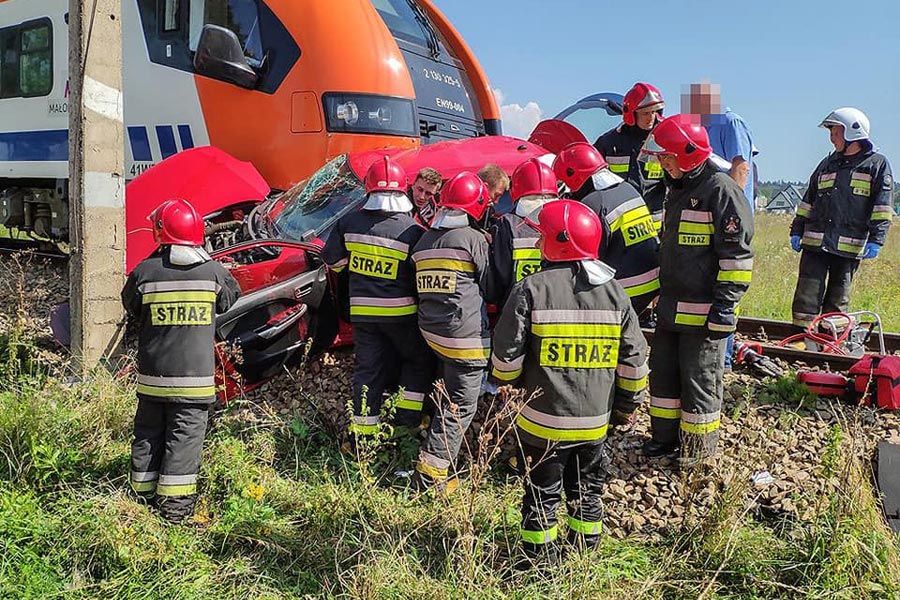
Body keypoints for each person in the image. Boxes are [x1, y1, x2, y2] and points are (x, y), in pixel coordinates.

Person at [490, 199, 648, 564]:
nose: (536, 242)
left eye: (541, 237)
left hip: (541, 423)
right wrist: (624, 407)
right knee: (588, 490)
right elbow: (634, 362)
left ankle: (538, 563)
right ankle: (583, 557)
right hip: (595, 424)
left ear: (558, 241)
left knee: (541, 492)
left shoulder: (530, 289)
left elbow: (506, 358)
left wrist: (508, 387)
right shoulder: (615, 294)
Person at [639, 115, 754, 465]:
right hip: (672, 310)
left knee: (700, 383)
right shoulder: (678, 189)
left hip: (704, 315)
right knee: (664, 379)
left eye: (667, 157)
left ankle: (696, 453)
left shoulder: (720, 191)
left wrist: (724, 309)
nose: (662, 163)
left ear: (687, 155)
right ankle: (664, 438)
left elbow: (737, 258)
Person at [122, 198, 241, 523]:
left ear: (160, 232)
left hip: (152, 381)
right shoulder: (214, 274)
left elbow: (130, 305)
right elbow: (231, 299)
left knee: (148, 435)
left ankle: (139, 501)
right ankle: (174, 515)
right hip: (194, 384)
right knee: (183, 442)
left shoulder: (145, 273)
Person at [322, 156, 434, 438]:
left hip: (363, 315)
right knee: (417, 360)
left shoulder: (348, 222)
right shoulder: (413, 231)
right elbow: (419, 276)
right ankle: (405, 424)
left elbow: (333, 262)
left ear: (368, 189)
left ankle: (362, 435)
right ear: (402, 190)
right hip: (401, 315)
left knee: (368, 369)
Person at [412, 171, 494, 493]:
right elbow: (490, 284)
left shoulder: (423, 242)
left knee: (446, 391)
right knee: (461, 404)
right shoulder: (472, 240)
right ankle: (430, 476)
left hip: (432, 333)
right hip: (465, 338)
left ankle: (429, 436)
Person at [789, 107, 893, 331]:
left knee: (838, 299)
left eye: (835, 132)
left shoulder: (876, 165)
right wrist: (797, 230)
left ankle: (828, 341)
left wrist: (877, 239)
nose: (831, 138)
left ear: (852, 133)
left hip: (848, 246)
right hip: (815, 244)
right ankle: (799, 338)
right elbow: (809, 200)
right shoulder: (826, 164)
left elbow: (882, 207)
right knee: (806, 295)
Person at [683, 82, 758, 369]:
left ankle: (723, 358)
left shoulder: (730, 122)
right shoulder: (702, 128)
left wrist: (731, 208)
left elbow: (740, 167)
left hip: (728, 217)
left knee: (726, 282)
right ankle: (710, 350)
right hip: (708, 211)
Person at [553, 141, 660, 315]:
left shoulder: (593, 205)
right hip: (652, 284)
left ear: (574, 175)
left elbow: (588, 261)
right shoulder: (628, 189)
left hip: (625, 291)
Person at [595, 82, 666, 228]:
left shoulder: (664, 139)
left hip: (656, 222)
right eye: (645, 113)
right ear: (632, 114)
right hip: (621, 220)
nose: (651, 118)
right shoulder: (609, 142)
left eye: (654, 112)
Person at [489, 157, 558, 306]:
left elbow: (499, 276)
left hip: (516, 308)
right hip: (556, 305)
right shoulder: (566, 217)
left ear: (516, 189)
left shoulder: (507, 223)